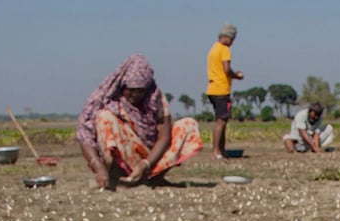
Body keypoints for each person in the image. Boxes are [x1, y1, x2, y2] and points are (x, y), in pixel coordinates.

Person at [76, 54, 203, 190]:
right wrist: (98, 167)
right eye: (130, 90)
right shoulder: (108, 99)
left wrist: (145, 164)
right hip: (126, 152)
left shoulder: (156, 98)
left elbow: (164, 137)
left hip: (151, 158)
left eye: (140, 91)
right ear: (122, 85)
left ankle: (152, 178)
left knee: (188, 125)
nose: (135, 95)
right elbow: (85, 135)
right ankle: (119, 179)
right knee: (104, 117)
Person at [206, 23, 244, 160]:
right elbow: (227, 69)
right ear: (227, 37)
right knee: (221, 122)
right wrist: (237, 76)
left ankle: (222, 150)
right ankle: (216, 151)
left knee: (220, 120)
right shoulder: (224, 49)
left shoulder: (213, 48)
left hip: (212, 88)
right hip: (221, 89)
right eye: (232, 39)